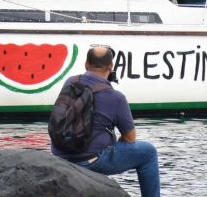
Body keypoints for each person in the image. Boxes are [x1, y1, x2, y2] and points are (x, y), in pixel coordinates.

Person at [50, 45, 160, 197]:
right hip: (89, 161)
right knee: (148, 152)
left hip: (59, 155)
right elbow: (130, 138)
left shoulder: (70, 82)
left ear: (86, 64)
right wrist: (112, 146)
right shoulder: (116, 97)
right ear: (111, 66)